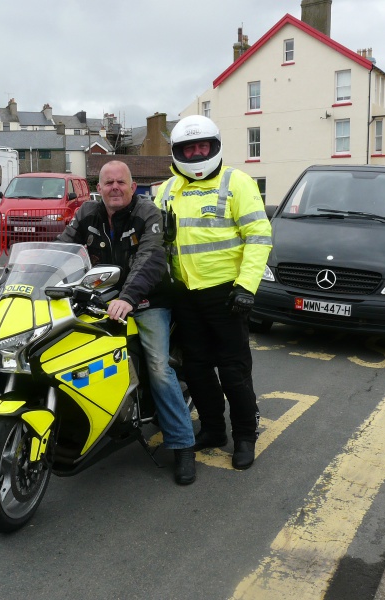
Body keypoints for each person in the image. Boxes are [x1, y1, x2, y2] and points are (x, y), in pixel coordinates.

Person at [57, 160, 197, 485]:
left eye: (121, 182)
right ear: (99, 188)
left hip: (147, 300)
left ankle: (183, 444)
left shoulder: (146, 213)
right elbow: (62, 249)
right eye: (109, 183)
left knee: (159, 367)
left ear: (133, 187)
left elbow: (151, 256)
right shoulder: (86, 214)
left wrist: (129, 297)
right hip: (100, 298)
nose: (115, 187)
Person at [154, 115, 272, 470]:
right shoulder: (165, 190)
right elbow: (153, 241)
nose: (197, 153)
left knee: (234, 371)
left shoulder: (238, 182)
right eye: (189, 148)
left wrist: (246, 287)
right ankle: (212, 429)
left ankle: (245, 436)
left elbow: (259, 235)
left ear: (214, 146)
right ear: (178, 152)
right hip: (185, 295)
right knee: (198, 369)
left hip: (227, 295)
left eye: (202, 146)